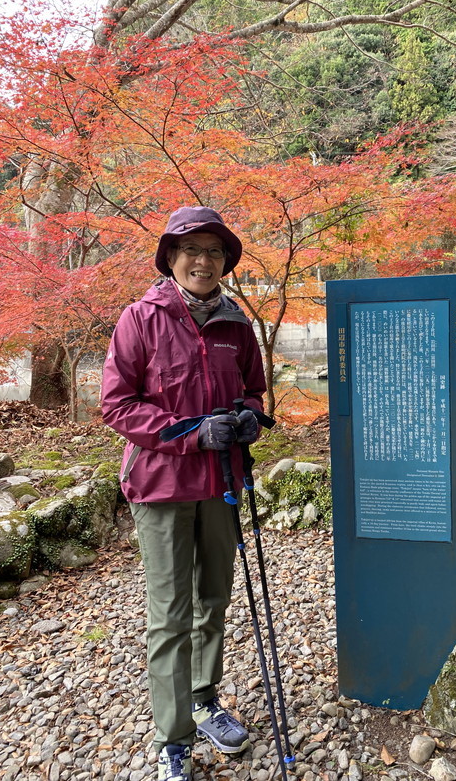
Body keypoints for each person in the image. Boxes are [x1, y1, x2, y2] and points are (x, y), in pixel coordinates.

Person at [101, 206, 266, 781]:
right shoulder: (140, 319)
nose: (203, 260)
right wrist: (194, 433)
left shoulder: (236, 326)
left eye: (214, 251)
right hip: (162, 485)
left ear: (225, 263)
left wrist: (248, 418)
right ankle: (174, 738)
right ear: (170, 257)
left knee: (212, 601)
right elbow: (118, 406)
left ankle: (204, 698)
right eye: (190, 249)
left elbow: (254, 391)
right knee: (169, 614)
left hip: (221, 482)